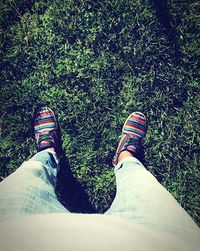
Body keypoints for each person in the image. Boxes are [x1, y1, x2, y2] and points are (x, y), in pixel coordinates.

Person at [0, 107, 199, 251]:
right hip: (150, 241)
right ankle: (126, 158)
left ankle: (49, 152)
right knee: (141, 184)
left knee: (29, 176)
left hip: (21, 234)